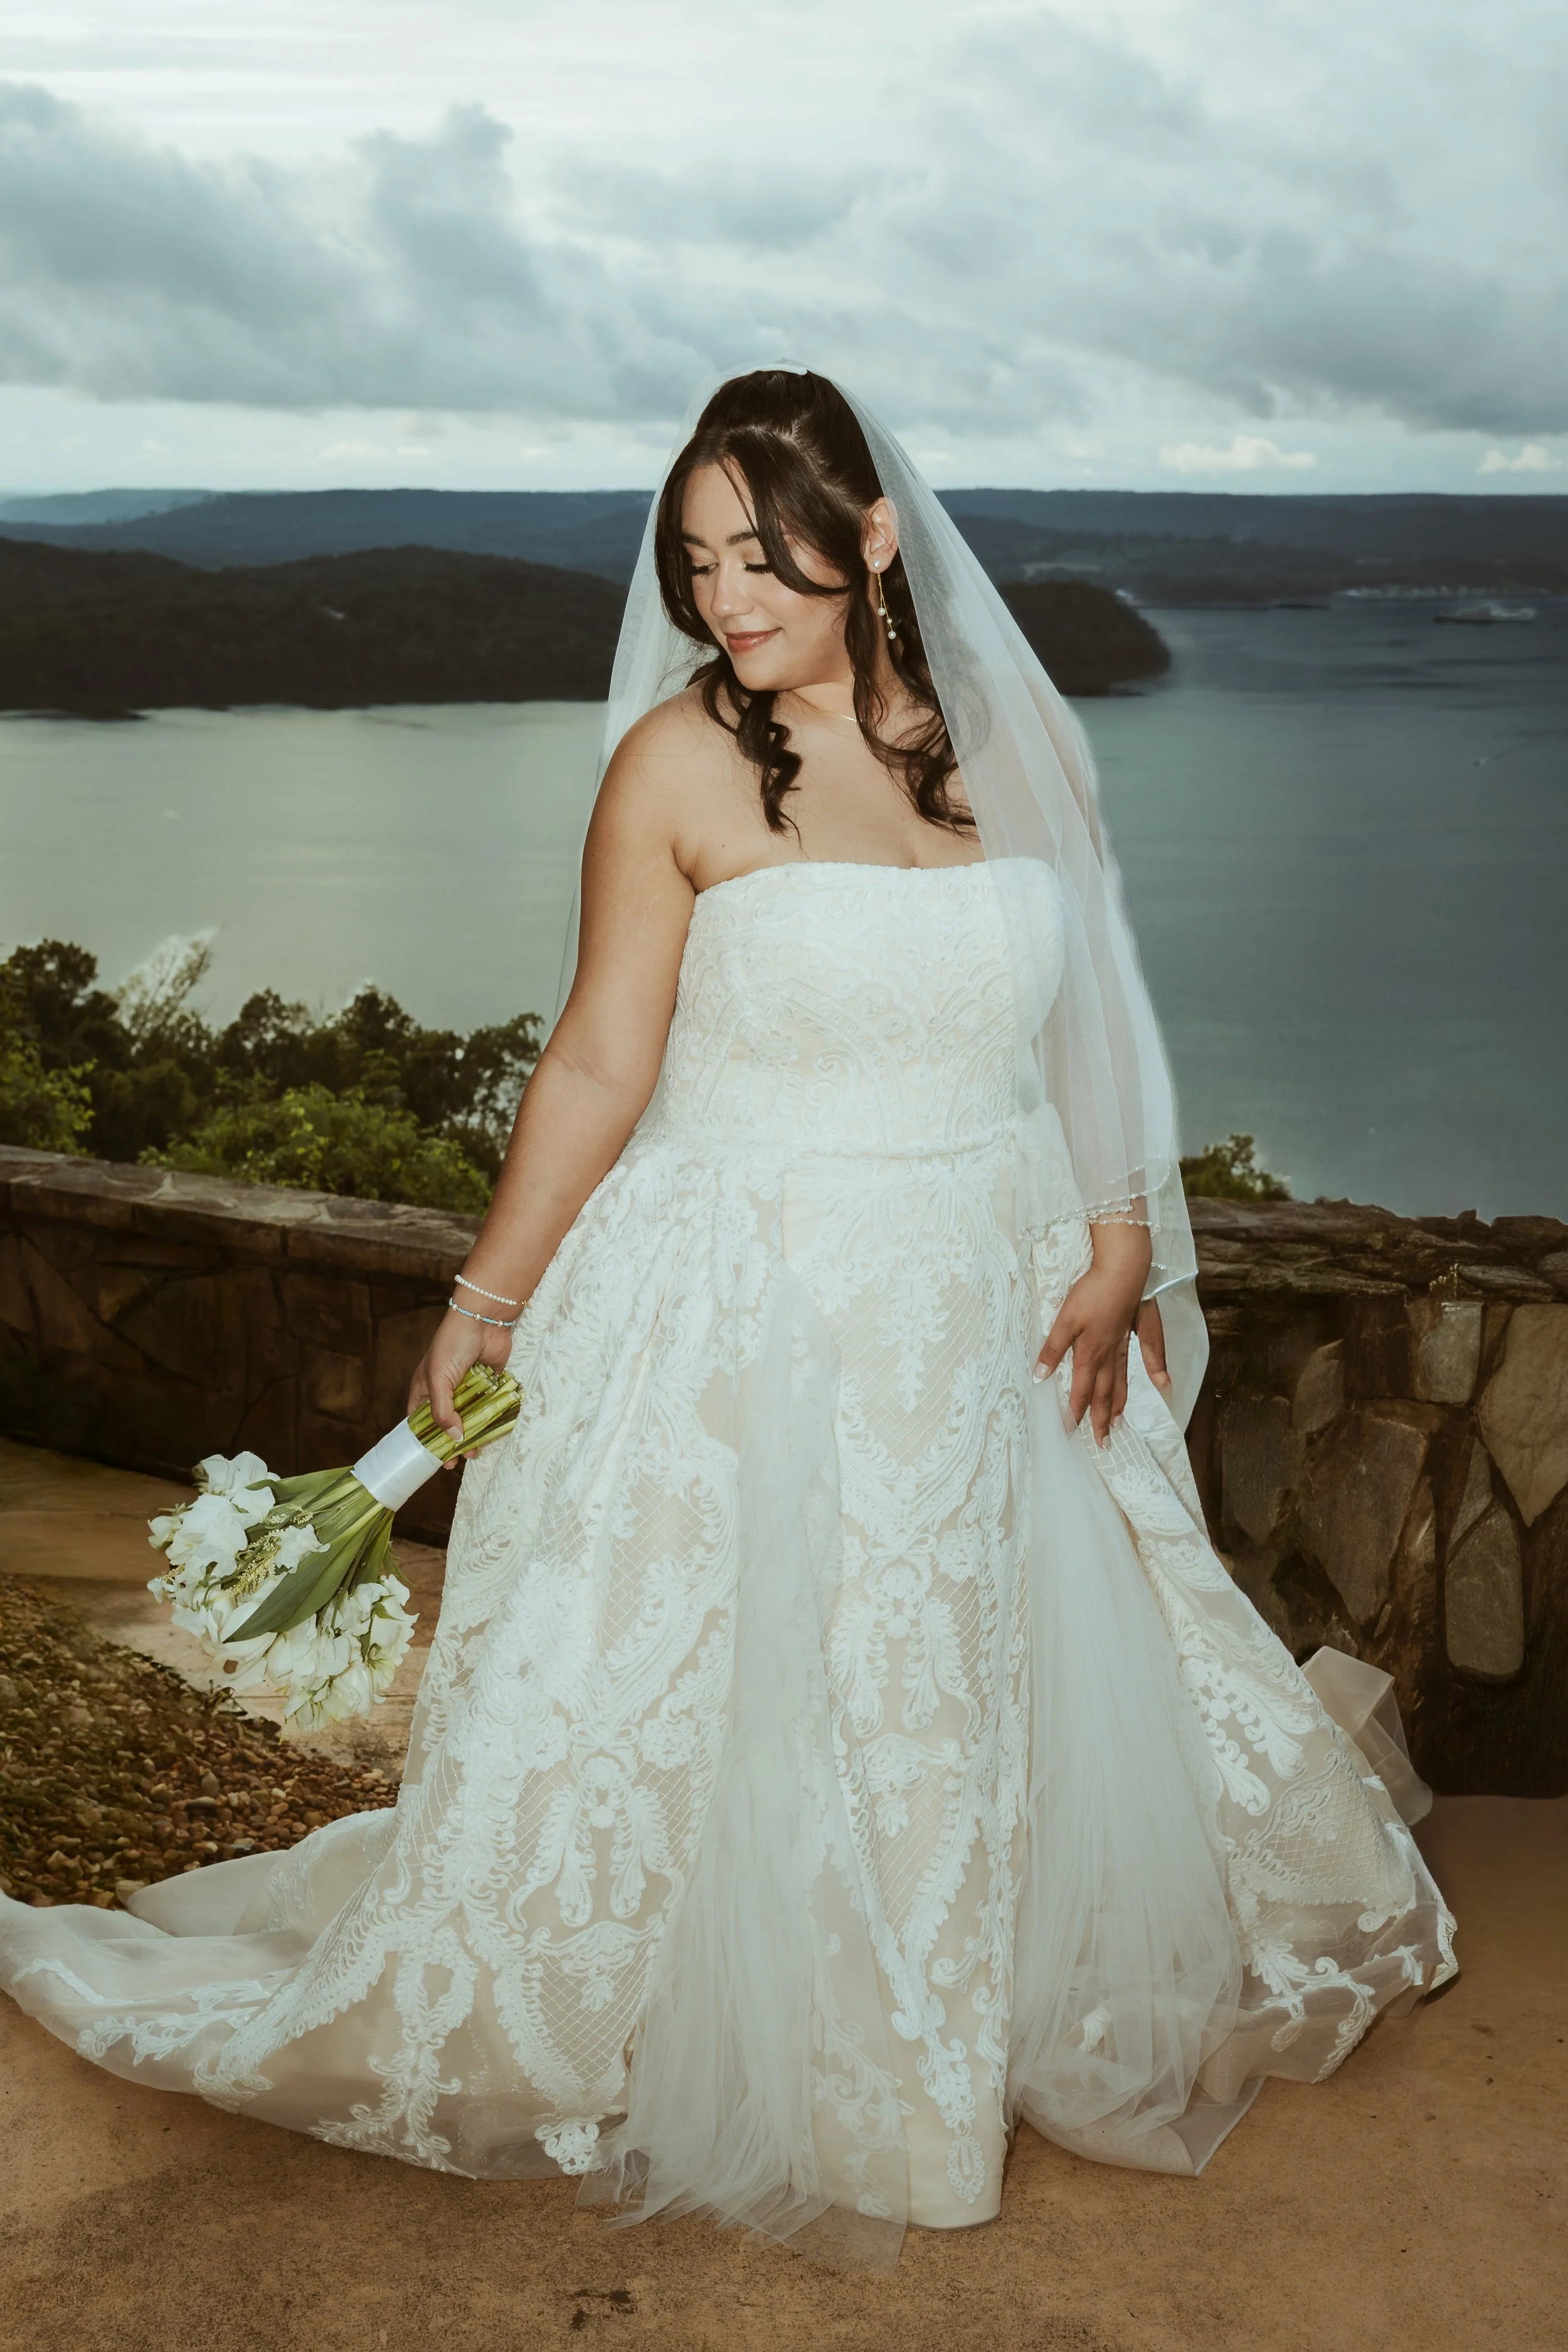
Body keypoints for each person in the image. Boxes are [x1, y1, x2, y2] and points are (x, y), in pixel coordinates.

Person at [0, 370, 1453, 2266]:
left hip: (981, 1299)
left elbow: (1086, 1015)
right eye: (691, 562)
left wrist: (1112, 1233)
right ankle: (786, 2042)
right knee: (740, 1682)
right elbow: (604, 1054)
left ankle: (950, 2014)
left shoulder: (1017, 750)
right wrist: (486, 1299)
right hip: (735, 1304)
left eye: (757, 554)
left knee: (949, 1671)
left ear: (866, 540)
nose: (723, 599)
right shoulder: (675, 767)